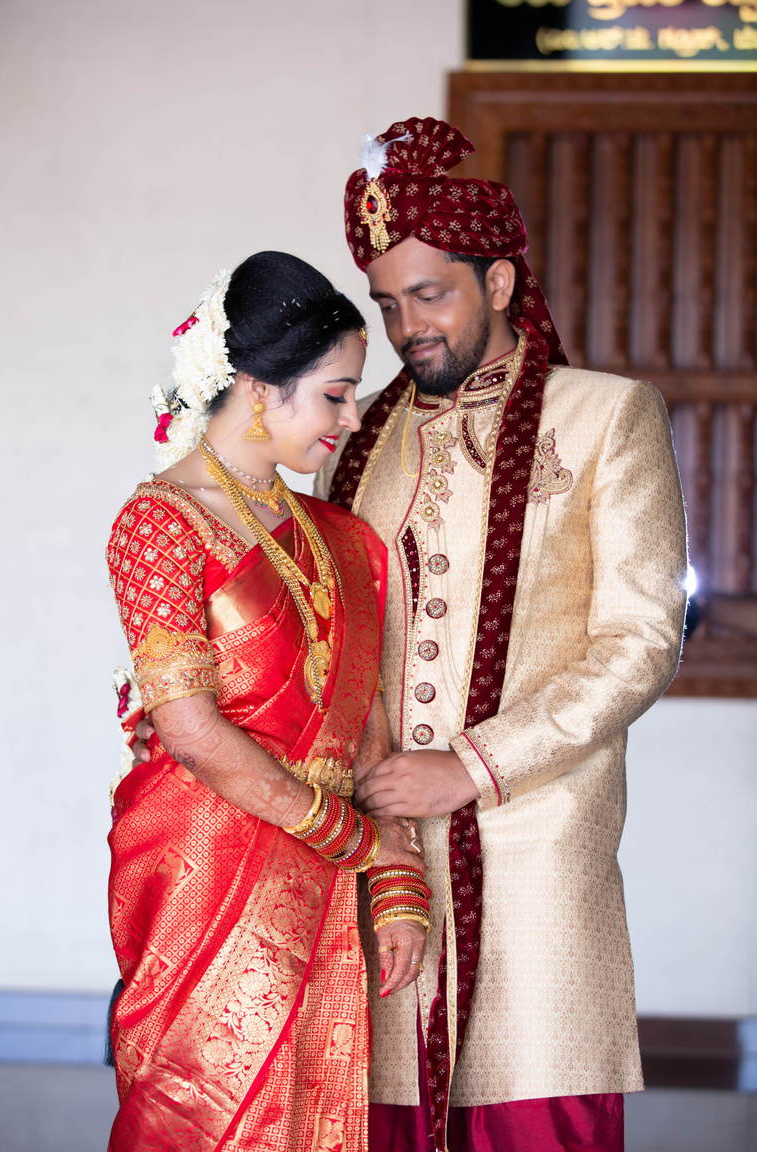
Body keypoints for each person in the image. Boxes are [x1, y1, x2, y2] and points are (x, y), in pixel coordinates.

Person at [312, 118, 688, 1151]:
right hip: (382, 859)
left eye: (431, 294)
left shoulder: (607, 416)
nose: (407, 328)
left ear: (504, 282)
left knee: (536, 1121)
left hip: (534, 848)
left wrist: (471, 766)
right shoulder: (356, 446)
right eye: (389, 305)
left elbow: (641, 637)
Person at [105, 251, 430, 1152]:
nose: (353, 417)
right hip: (206, 865)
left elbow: (368, 730)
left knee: (314, 1114)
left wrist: (396, 882)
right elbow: (194, 733)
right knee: (204, 1113)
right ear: (257, 387)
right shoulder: (158, 525)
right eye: (334, 394)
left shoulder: (346, 540)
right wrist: (355, 840)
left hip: (325, 872)